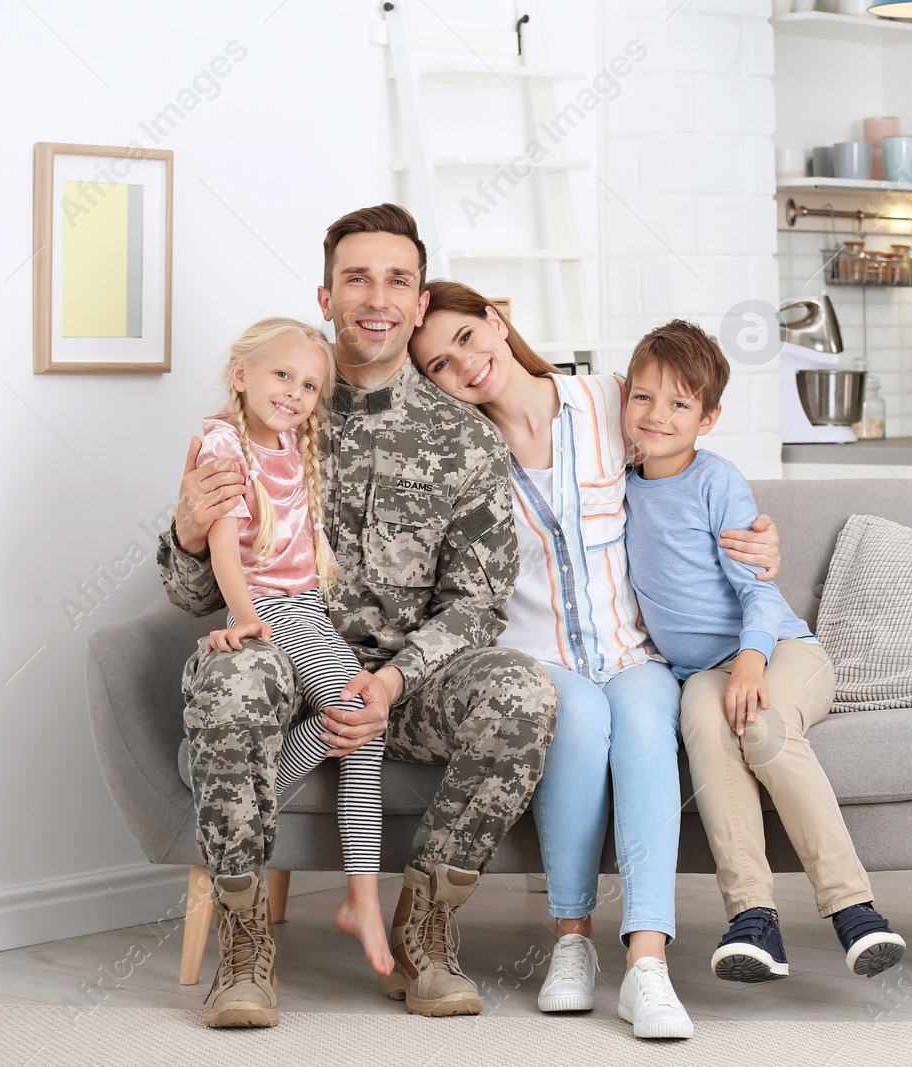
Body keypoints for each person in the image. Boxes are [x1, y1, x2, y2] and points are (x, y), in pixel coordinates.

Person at [158, 204, 557, 1027]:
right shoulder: (279, 400)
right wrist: (189, 535)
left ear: (417, 304)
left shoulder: (464, 438)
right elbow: (192, 596)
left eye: (397, 280)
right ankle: (242, 947)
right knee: (230, 677)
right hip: (280, 666)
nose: (376, 297)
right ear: (327, 293)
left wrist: (389, 680)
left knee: (523, 693)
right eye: (357, 278)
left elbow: (476, 604)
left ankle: (427, 927)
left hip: (400, 692)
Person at [409, 282, 782, 1040]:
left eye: (467, 339)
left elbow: (689, 465)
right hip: (536, 661)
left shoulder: (608, 400)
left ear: (497, 321)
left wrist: (755, 541)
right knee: (576, 720)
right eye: (440, 365)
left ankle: (648, 964)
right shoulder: (460, 458)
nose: (465, 366)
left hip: (630, 650)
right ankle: (571, 943)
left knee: (647, 722)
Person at [619, 319, 907, 984]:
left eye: (679, 403)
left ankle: (853, 908)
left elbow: (757, 590)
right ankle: (753, 919)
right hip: (699, 673)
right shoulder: (618, 485)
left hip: (780, 648)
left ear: (709, 416)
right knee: (708, 731)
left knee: (765, 729)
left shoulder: (718, 483)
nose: (657, 415)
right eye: (643, 397)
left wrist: (752, 659)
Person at [192, 317, 392, 994]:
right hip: (274, 614)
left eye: (309, 384)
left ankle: (253, 814)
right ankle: (359, 898)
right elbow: (224, 546)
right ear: (241, 373)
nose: (296, 391)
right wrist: (249, 622)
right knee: (361, 713)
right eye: (283, 374)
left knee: (361, 723)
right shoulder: (223, 441)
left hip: (308, 607)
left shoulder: (296, 440)